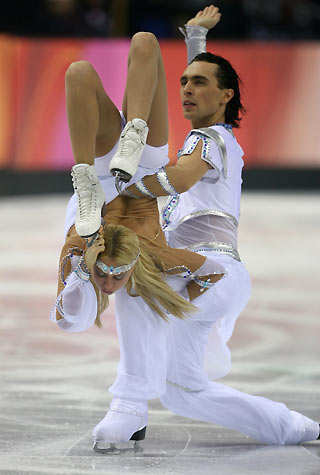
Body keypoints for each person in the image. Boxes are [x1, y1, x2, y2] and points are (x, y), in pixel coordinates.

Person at [51, 5, 319, 450]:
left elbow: (178, 177)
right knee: (183, 390)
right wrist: (196, 40)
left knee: (137, 280)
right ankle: (289, 426)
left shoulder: (208, 140)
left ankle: (129, 404)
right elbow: (204, 88)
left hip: (210, 267)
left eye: (198, 84)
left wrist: (127, 197)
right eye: (184, 83)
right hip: (191, 269)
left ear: (227, 95)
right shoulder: (212, 133)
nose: (187, 91)